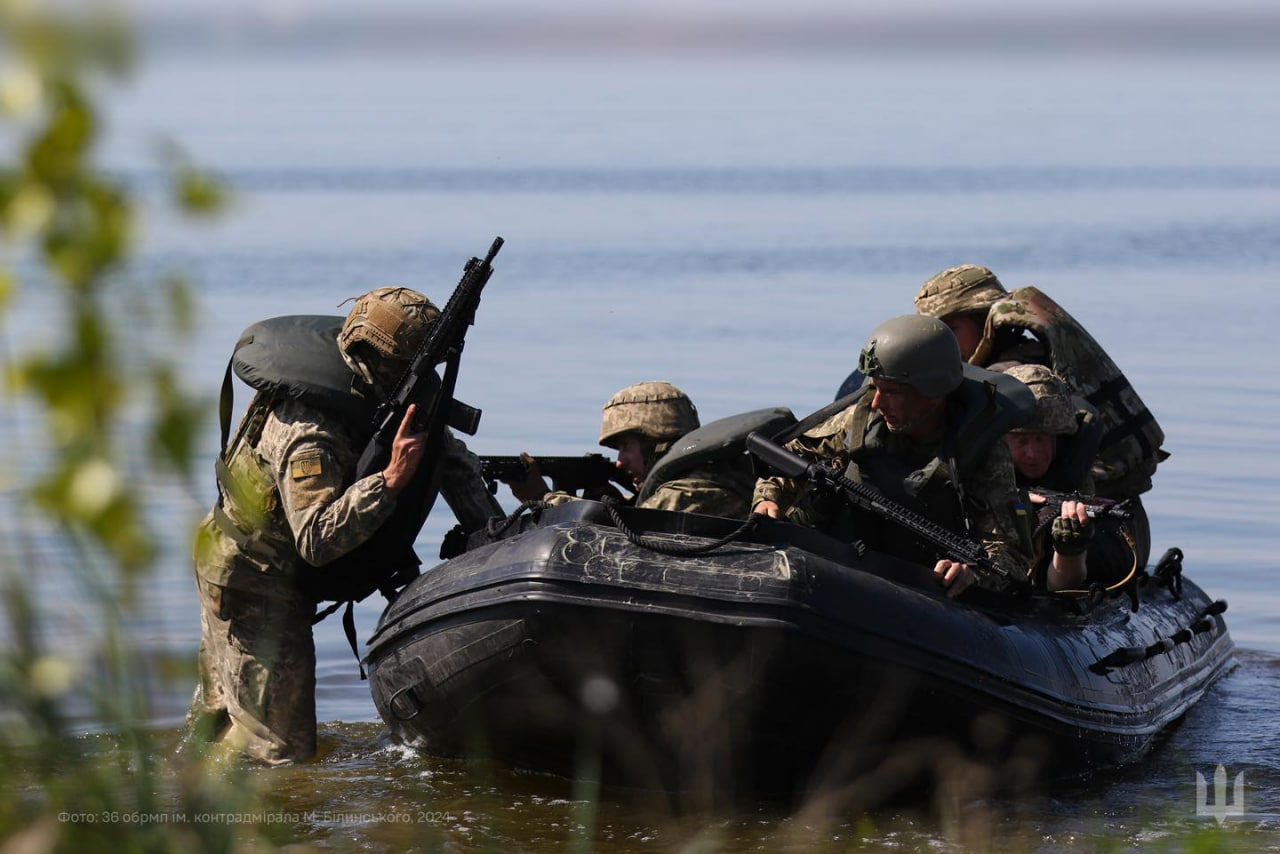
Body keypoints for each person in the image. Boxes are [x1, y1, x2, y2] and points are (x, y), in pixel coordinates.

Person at [186, 286, 502, 765]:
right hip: (251, 580)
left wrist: (500, 532)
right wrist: (390, 481)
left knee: (224, 721)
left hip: (245, 564)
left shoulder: (387, 395)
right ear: (378, 357)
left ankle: (183, 803)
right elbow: (315, 539)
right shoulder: (309, 433)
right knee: (280, 753)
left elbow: (450, 460)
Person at [754, 315, 1033, 598]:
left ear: (933, 392)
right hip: (837, 567)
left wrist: (973, 572)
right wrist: (768, 498)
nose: (877, 402)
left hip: (922, 590)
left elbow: (1010, 553)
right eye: (875, 388)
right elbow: (789, 457)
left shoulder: (980, 450)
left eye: (891, 392)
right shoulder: (860, 422)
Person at [913, 264, 1167, 502]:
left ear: (983, 322)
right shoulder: (1028, 354)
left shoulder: (1010, 378)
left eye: (951, 329)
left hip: (1091, 514)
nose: (942, 342)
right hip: (1111, 505)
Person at [507, 381, 756, 518]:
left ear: (656, 443)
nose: (619, 461)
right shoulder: (696, 482)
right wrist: (613, 499)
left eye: (625, 446)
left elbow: (630, 528)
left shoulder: (698, 488)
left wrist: (543, 498)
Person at [1000, 364, 1143, 591]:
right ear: (1001, 440)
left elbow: (1063, 590)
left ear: (1059, 438)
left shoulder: (1081, 488)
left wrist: (1070, 549)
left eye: (1042, 440)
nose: (1033, 454)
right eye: (1022, 441)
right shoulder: (981, 476)